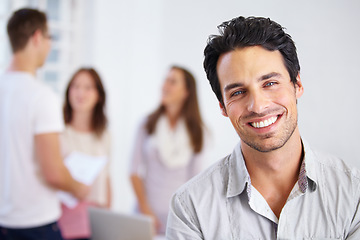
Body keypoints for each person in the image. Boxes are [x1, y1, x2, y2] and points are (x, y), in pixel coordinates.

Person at [166, 16, 360, 239]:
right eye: (238, 92)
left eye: (269, 83)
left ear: (297, 85)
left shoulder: (353, 194)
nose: (257, 106)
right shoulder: (190, 209)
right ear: (222, 106)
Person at [0, 8, 90, 240]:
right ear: (37, 37)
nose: (50, 46)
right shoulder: (41, 97)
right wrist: (79, 188)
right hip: (36, 226)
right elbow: (53, 173)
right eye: (50, 38)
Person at [130, 66, 206, 235]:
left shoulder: (197, 132)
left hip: (180, 217)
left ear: (186, 92)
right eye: (165, 80)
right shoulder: (146, 124)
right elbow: (133, 171)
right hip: (145, 214)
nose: (165, 86)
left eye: (172, 82)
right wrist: (145, 209)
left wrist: (186, 218)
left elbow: (195, 180)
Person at [57, 68, 112, 240]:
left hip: (95, 223)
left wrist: (109, 216)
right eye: (75, 86)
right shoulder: (58, 132)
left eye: (88, 87)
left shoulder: (104, 136)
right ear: (68, 92)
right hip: (64, 223)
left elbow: (107, 177)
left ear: (99, 95)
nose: (81, 93)